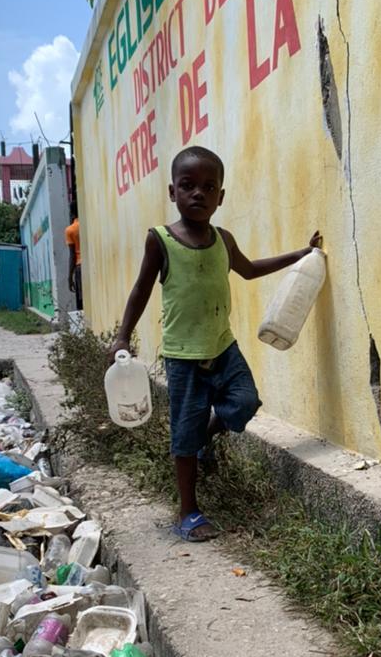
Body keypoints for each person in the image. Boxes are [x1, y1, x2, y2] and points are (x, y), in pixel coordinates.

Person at [110, 145, 321, 543]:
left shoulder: (223, 239)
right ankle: (188, 511)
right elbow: (140, 290)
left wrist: (301, 253)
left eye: (209, 187)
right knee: (183, 436)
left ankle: (207, 438)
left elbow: (250, 269)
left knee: (245, 402)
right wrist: (122, 334)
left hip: (223, 347)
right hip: (184, 357)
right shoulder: (160, 240)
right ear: (172, 191)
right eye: (188, 186)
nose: (198, 194)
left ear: (220, 197)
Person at [65, 212, 82, 311]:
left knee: (83, 301)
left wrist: (70, 277)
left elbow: (72, 256)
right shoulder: (88, 223)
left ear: (72, 215)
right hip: (93, 265)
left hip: (80, 267)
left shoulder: (70, 230)